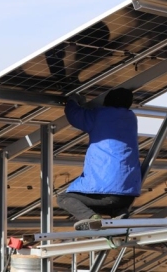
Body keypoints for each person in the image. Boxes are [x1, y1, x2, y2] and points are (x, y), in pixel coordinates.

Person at [56, 88, 142, 230]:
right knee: (109, 203)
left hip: (104, 191)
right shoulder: (131, 118)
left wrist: (73, 100)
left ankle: (92, 219)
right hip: (127, 195)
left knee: (64, 198)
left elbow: (75, 116)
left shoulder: (100, 115)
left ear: (106, 101)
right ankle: (119, 213)